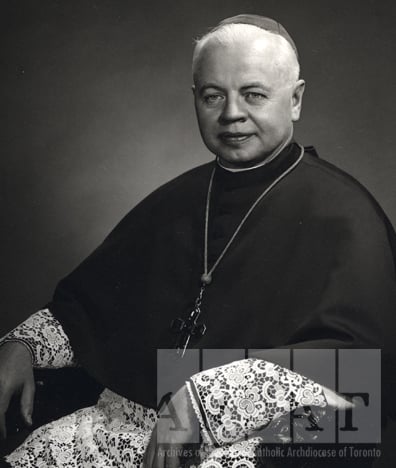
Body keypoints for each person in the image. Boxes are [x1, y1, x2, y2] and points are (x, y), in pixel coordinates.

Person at [0, 14, 395, 467]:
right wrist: (21, 346)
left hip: (263, 440)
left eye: (254, 94)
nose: (231, 114)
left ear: (296, 100)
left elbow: (360, 369)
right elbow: (90, 309)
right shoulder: (177, 199)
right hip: (130, 424)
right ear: (195, 100)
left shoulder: (345, 213)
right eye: (213, 96)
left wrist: (202, 400)